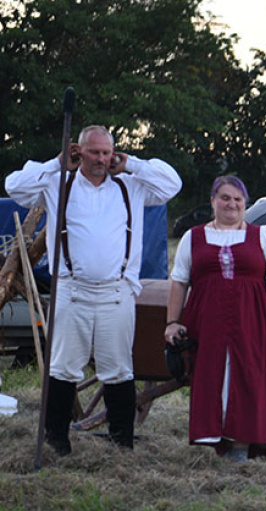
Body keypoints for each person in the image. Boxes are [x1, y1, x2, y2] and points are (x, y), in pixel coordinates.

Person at [5, 125, 182, 455]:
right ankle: (56, 441)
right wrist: (57, 163)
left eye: (106, 152)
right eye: (94, 152)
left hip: (117, 293)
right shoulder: (58, 183)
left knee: (118, 368)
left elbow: (173, 183)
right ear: (79, 151)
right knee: (63, 366)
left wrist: (132, 163)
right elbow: (14, 186)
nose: (101, 159)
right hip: (72, 291)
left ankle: (121, 442)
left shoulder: (132, 185)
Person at [163, 176, 266, 463]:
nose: (231, 204)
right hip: (207, 320)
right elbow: (178, 281)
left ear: (245, 204)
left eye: (237, 199)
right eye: (225, 198)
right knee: (212, 376)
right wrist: (172, 322)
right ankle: (214, 437)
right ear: (213, 201)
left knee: (248, 377)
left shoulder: (262, 236)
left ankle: (241, 444)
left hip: (252, 319)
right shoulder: (193, 237)